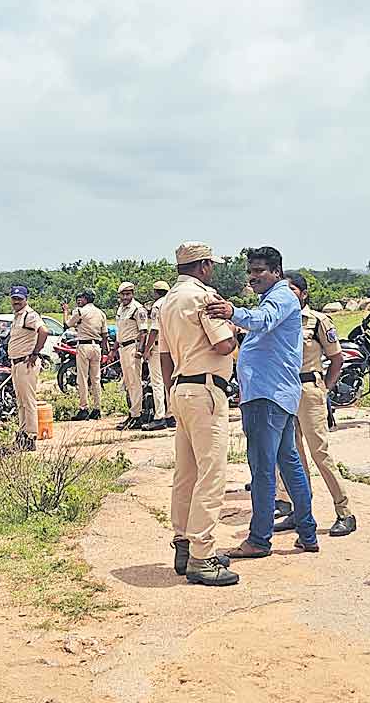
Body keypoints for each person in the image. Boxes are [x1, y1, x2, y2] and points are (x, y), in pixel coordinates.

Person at [205, 248, 318, 564]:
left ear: (276, 272)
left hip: (266, 397)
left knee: (263, 470)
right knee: (288, 462)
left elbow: (261, 321)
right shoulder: (276, 298)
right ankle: (307, 533)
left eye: (259, 271)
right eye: (250, 272)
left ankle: (259, 539)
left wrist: (231, 312)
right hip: (276, 395)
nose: (253, 277)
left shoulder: (280, 299)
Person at [159, 242, 240, 586]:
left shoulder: (165, 303)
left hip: (179, 387)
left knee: (186, 473)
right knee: (211, 474)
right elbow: (223, 345)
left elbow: (164, 355)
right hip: (206, 388)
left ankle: (183, 542)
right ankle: (202, 555)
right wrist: (235, 326)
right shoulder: (205, 297)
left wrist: (171, 393)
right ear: (204, 266)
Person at [283, 272, 355, 538]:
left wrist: (325, 387)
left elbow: (336, 359)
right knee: (293, 456)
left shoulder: (318, 321)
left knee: (319, 453)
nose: (288, 294)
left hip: (309, 389)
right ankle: (301, 512)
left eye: (292, 289)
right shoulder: (281, 319)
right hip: (285, 392)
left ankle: (345, 512)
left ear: (303, 293)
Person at [7, 286, 48, 450]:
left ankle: (30, 436)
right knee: (21, 402)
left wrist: (35, 353)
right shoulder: (17, 316)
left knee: (28, 401)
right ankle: (23, 433)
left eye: (19, 299)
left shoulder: (29, 315)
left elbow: (44, 331)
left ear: (26, 299)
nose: (16, 301)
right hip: (17, 363)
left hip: (26, 362)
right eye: (14, 298)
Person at [62, 290, 109, 421]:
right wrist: (105, 350)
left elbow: (66, 325)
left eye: (81, 298)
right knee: (96, 379)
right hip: (97, 347)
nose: (79, 300)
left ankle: (84, 408)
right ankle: (97, 409)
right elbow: (105, 334)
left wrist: (66, 311)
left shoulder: (80, 311)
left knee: (82, 378)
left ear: (85, 299)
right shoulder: (101, 313)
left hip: (84, 345)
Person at [114, 282, 149, 430]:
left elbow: (143, 332)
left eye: (128, 294)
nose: (126, 297)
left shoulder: (137, 309)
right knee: (128, 382)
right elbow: (119, 331)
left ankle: (137, 415)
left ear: (133, 294)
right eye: (123, 294)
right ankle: (132, 413)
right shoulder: (121, 309)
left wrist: (140, 351)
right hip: (123, 347)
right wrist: (113, 350)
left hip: (132, 347)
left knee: (135, 382)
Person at [142, 281, 174, 432]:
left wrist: (146, 350)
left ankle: (159, 416)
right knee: (170, 381)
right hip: (172, 346)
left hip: (158, 346)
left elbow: (154, 329)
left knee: (157, 382)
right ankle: (170, 414)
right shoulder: (171, 303)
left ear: (156, 292)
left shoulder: (157, 306)